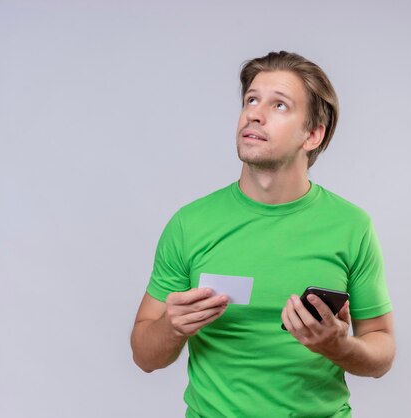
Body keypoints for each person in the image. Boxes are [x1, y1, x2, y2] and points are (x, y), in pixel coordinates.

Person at [130, 51, 395, 418]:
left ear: (313, 134)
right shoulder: (189, 224)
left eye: (280, 105)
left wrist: (338, 347)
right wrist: (172, 327)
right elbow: (144, 356)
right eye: (251, 100)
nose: (254, 113)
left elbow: (381, 354)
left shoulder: (352, 226)